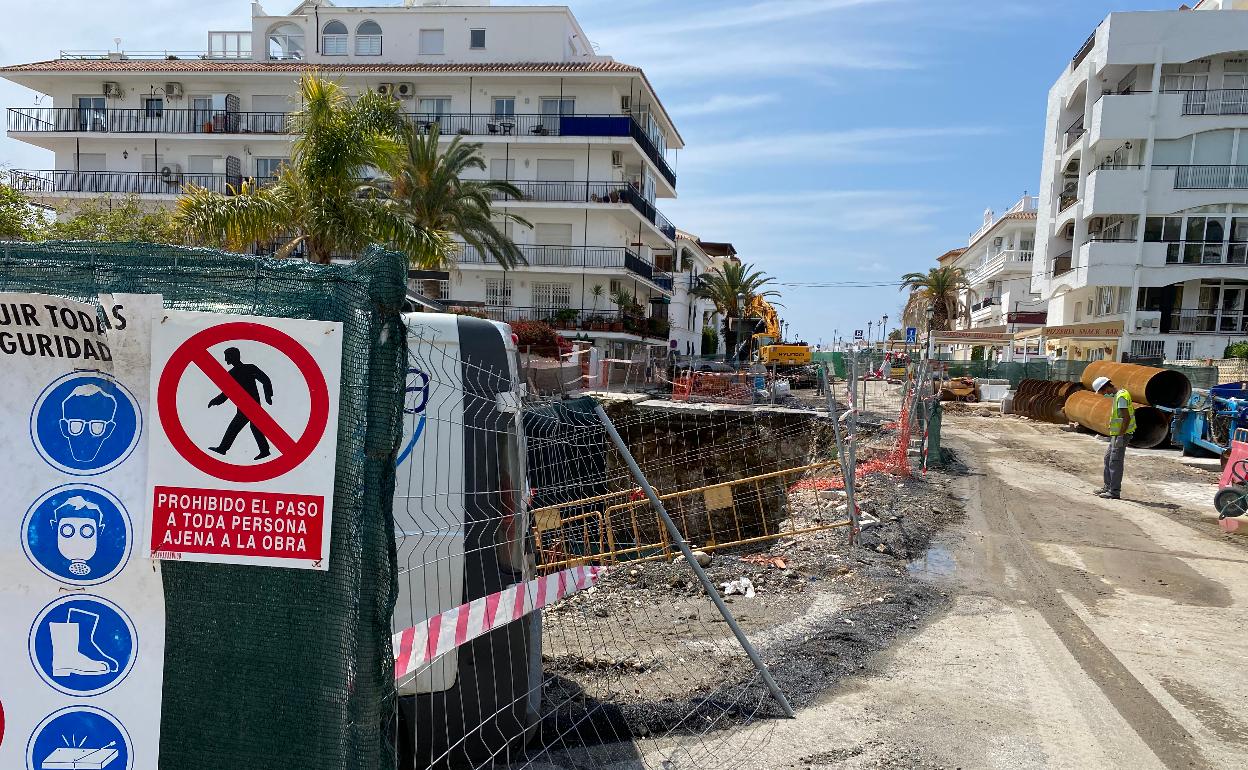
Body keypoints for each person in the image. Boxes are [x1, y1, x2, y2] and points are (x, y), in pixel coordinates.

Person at [207, 347, 275, 460]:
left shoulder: (247, 368)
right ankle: (264, 451)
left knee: (236, 427)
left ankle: (223, 448)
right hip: (246, 406)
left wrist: (268, 395)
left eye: (227, 357)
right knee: (253, 427)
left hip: (251, 406)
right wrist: (216, 401)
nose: (225, 360)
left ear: (233, 357)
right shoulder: (233, 373)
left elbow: (265, 380)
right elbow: (227, 393)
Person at [1092, 375, 1135, 500]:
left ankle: (1114, 491)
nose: (1104, 394)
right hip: (1117, 434)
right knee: (1108, 459)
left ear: (1106, 387)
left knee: (1115, 462)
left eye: (1103, 392)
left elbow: (1126, 418)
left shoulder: (1121, 397)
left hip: (1122, 434)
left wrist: (1120, 436)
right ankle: (1107, 486)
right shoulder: (1118, 395)